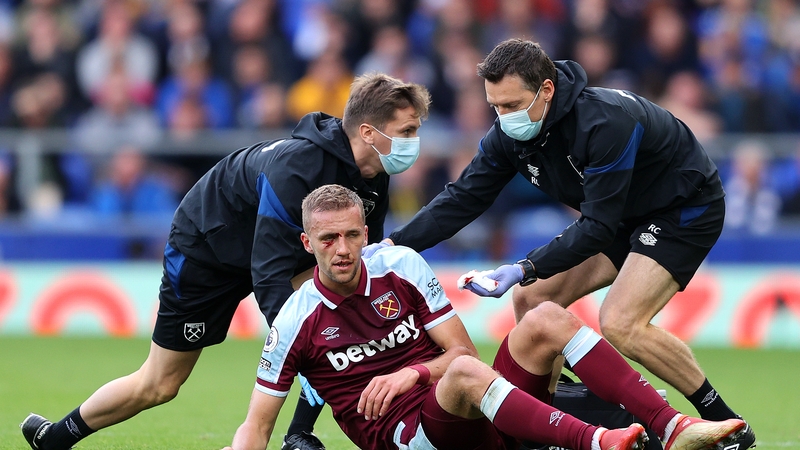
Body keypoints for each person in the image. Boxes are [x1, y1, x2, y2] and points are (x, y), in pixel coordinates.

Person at [372, 38, 756, 449]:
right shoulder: (509, 133)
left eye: (512, 105)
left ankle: (726, 421)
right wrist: (394, 244)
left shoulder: (605, 122)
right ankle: (545, 432)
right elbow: (464, 197)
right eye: (495, 107)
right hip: (620, 214)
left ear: (547, 90)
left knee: (621, 322)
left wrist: (523, 267)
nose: (503, 118)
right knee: (532, 298)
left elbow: (597, 227)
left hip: (682, 209)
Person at [20, 72, 432, 450]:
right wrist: (312, 349)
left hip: (272, 252)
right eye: (407, 132)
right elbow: (267, 272)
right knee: (160, 383)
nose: (415, 142)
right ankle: (55, 438)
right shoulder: (298, 166)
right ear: (368, 132)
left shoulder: (374, 176)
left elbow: (362, 266)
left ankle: (298, 435)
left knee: (341, 313)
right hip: (206, 250)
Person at [223, 183, 745, 450]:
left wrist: (410, 372)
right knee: (466, 374)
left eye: (352, 235)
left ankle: (670, 425)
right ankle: (597, 441)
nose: (342, 249)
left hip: (469, 409)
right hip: (411, 438)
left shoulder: (400, 265)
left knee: (544, 317)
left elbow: (462, 352)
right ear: (306, 243)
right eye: (328, 238)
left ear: (366, 232)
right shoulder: (295, 319)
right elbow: (257, 424)